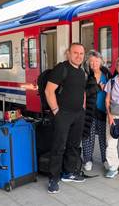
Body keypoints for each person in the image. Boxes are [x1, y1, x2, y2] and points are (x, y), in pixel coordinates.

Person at [45, 43, 86, 194]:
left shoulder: (82, 71)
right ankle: (53, 178)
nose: (79, 56)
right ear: (68, 53)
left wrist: (82, 108)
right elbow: (49, 91)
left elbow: (82, 92)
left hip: (78, 114)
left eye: (81, 53)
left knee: (74, 145)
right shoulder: (61, 68)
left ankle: (69, 173)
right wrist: (57, 112)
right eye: (75, 53)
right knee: (58, 147)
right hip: (63, 114)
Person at [82, 50, 111, 171]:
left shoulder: (107, 74)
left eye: (96, 61)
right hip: (90, 110)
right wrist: (97, 87)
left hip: (104, 111)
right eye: (91, 61)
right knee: (88, 136)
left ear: (101, 62)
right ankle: (88, 160)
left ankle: (105, 159)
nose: (94, 64)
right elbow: (83, 93)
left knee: (104, 138)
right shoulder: (85, 75)